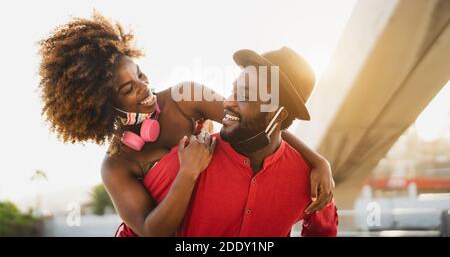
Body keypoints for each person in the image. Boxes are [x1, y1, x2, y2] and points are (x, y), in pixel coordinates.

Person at [38, 12, 335, 237]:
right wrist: (188, 173)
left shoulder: (184, 96)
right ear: (101, 105)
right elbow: (153, 231)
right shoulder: (117, 164)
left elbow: (253, 122)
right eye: (128, 89)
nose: (144, 88)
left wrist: (317, 161)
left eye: (140, 75)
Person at [117, 46, 338, 236]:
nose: (227, 103)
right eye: (233, 90)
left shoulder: (312, 180)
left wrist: (319, 162)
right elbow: (137, 232)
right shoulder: (187, 160)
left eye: (244, 95)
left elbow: (324, 231)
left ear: (278, 115)